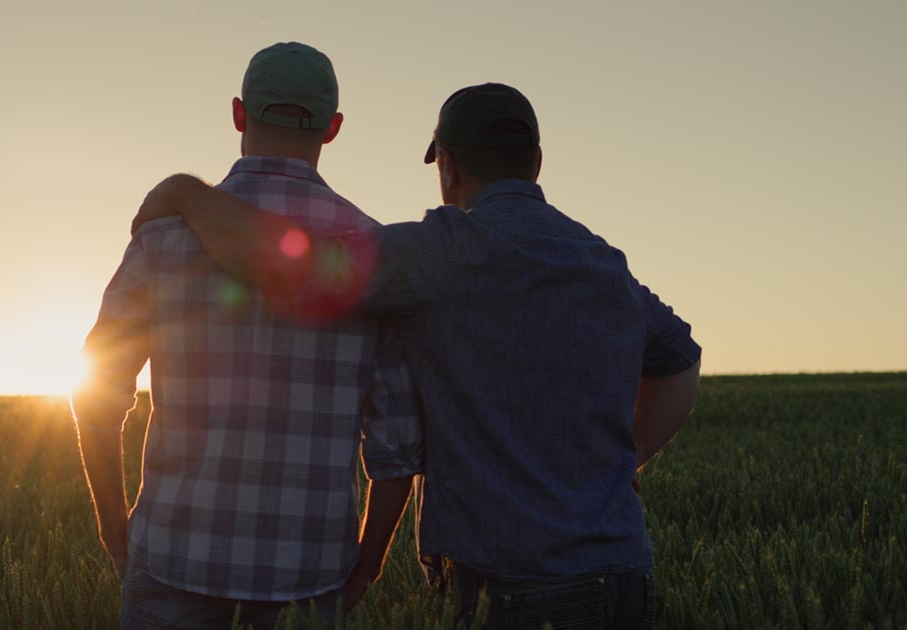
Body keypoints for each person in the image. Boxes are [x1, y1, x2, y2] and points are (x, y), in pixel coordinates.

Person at [131, 83, 702, 629]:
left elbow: (286, 267)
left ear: (447, 165)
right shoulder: (605, 264)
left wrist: (187, 193)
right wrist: (623, 461)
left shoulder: (443, 252)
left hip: (513, 587)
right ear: (537, 162)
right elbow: (681, 362)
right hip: (628, 573)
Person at [70, 42, 423, 630]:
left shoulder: (164, 239)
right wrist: (368, 566)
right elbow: (397, 446)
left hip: (172, 556)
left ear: (238, 114)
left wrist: (114, 525)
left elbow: (97, 394)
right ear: (333, 129)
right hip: (310, 575)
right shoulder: (371, 256)